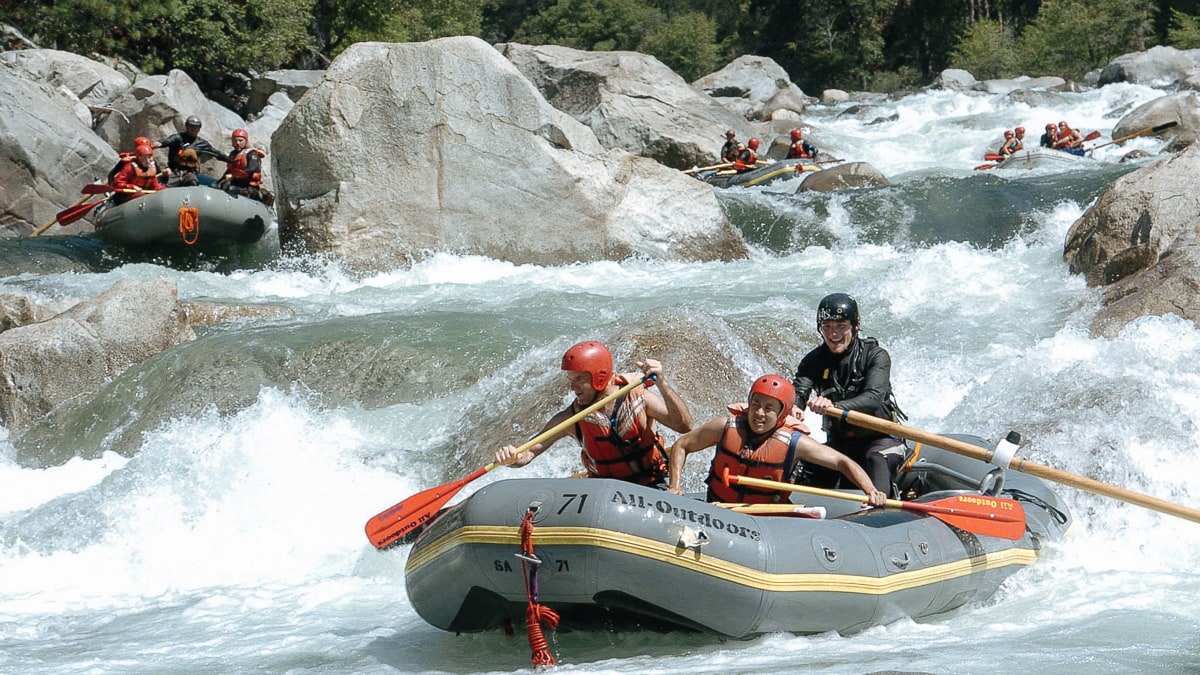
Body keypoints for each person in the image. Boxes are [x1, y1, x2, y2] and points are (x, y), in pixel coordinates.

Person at [667, 374, 887, 507]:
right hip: (718, 509)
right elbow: (682, 445)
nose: (759, 413)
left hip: (765, 521)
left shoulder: (794, 442)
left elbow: (842, 462)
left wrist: (871, 491)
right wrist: (674, 486)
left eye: (769, 408)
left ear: (782, 414)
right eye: (756, 404)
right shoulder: (725, 426)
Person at [494, 341, 693, 487]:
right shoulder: (571, 418)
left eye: (579, 379)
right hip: (603, 490)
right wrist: (511, 458)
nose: (572, 387)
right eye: (571, 379)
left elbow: (684, 426)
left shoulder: (637, 397)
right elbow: (529, 453)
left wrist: (662, 383)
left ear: (599, 376)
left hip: (650, 483)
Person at [791, 293, 906, 494]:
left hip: (880, 440)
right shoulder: (814, 360)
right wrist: (791, 407)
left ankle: (879, 511)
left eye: (840, 326)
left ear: (855, 325)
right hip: (840, 443)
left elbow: (873, 398)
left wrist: (834, 407)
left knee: (875, 459)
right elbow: (798, 393)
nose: (833, 334)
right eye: (827, 326)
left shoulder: (875, 356)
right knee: (804, 466)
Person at [152, 115, 228, 185]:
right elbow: (165, 142)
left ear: (199, 128)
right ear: (186, 126)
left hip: (190, 173)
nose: (193, 129)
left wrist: (231, 160)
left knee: (193, 182)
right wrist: (155, 144)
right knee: (165, 185)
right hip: (173, 171)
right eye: (191, 126)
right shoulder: (178, 138)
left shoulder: (202, 143)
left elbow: (217, 154)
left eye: (196, 127)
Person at [219, 128, 266, 201]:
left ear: (246, 141)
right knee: (222, 186)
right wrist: (219, 182)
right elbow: (230, 170)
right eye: (235, 140)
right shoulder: (233, 155)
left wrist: (233, 176)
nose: (238, 143)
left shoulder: (252, 154)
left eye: (240, 140)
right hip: (236, 183)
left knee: (231, 189)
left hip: (250, 188)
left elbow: (251, 169)